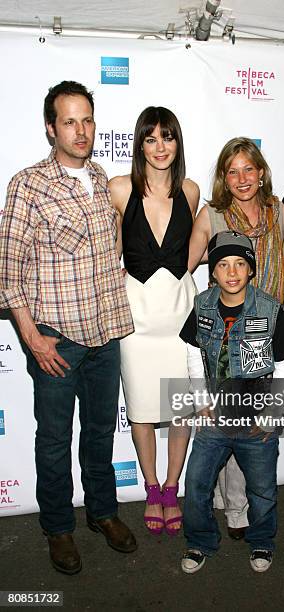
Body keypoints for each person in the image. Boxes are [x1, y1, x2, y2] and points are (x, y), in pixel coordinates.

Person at [0, 81, 137, 575]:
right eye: (69, 122)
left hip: (106, 336)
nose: (81, 131)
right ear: (50, 128)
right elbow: (8, 274)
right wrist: (32, 337)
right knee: (54, 440)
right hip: (56, 340)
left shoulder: (101, 178)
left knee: (100, 433)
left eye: (87, 120)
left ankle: (102, 512)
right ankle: (58, 527)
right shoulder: (27, 185)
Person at [188, 137, 284, 539]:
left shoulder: (278, 212)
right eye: (232, 171)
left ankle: (236, 507)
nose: (242, 178)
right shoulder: (212, 215)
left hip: (264, 328)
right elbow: (188, 262)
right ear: (223, 178)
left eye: (249, 168)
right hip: (227, 327)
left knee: (250, 420)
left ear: (262, 171)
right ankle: (229, 506)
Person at [180, 231, 284, 573]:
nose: (231, 272)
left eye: (240, 264)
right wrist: (201, 399)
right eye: (223, 264)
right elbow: (192, 351)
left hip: (256, 421)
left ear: (251, 270)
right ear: (212, 272)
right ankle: (200, 542)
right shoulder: (201, 304)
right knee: (197, 484)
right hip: (214, 419)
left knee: (261, 490)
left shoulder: (270, 309)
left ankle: (262, 541)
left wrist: (272, 413)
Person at [109, 107, 199, 537]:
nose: (160, 147)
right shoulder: (119, 188)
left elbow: (195, 251)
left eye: (168, 137)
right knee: (142, 409)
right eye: (151, 139)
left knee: (182, 408)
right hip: (137, 319)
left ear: (178, 143)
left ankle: (172, 486)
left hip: (181, 314)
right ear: (140, 144)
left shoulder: (192, 191)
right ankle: (150, 488)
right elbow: (105, 250)